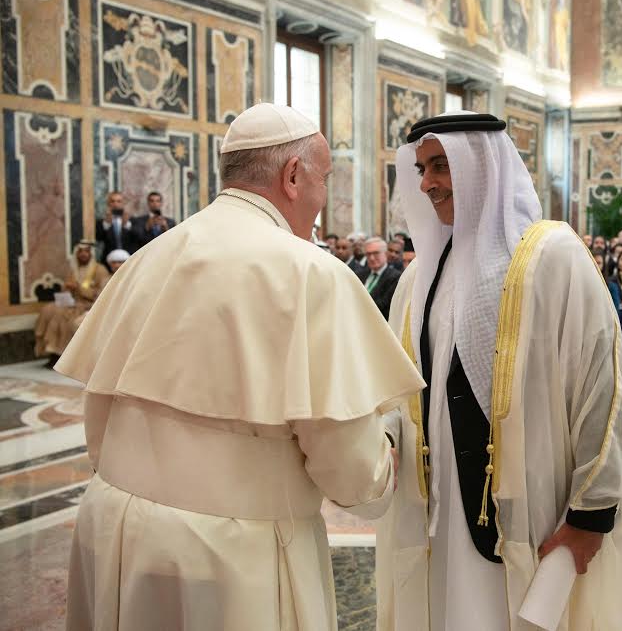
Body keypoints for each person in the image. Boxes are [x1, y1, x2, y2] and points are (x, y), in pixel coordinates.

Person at [57, 103, 426, 630]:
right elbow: (347, 465)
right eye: (324, 179)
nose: (322, 199)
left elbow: (99, 413)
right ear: (293, 177)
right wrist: (382, 465)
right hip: (234, 554)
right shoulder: (312, 273)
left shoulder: (150, 255)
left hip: (113, 529)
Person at [379, 112, 622, 631]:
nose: (427, 184)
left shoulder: (553, 257)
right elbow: (396, 386)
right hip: (435, 509)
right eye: (422, 169)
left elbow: (600, 389)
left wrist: (590, 514)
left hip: (532, 509)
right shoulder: (418, 277)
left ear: (480, 166)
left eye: (441, 166)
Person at [34, 241, 111, 365]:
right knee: (48, 310)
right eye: (80, 251)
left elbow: (101, 295)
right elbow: (66, 290)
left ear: (91, 254)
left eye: (86, 251)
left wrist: (79, 288)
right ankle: (50, 350)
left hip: (88, 305)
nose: (83, 254)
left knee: (62, 318)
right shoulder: (73, 269)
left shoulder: (99, 270)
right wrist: (67, 288)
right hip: (72, 302)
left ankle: (60, 355)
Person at [359, 236, 403, 319]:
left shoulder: (395, 277)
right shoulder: (360, 275)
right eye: (368, 254)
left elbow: (384, 304)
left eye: (376, 253)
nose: (372, 258)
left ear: (386, 254)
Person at [96, 191, 135, 263]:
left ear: (123, 203)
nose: (115, 204)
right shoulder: (101, 222)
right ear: (108, 204)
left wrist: (126, 224)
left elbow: (137, 239)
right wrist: (107, 223)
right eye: (112, 201)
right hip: (108, 260)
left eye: (119, 201)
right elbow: (98, 238)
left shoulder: (132, 220)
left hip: (130, 258)